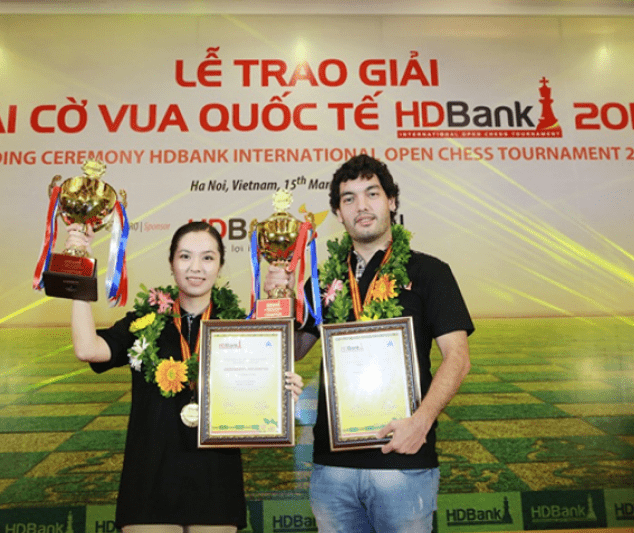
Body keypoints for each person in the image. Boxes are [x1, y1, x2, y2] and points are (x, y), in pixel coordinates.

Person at [265, 154, 474, 533]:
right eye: (349, 198)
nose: (361, 206)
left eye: (372, 194)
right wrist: (278, 301)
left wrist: (422, 422)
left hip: (403, 459)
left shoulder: (430, 272)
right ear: (338, 213)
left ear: (391, 201)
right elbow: (291, 352)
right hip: (332, 467)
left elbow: (457, 359)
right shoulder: (322, 280)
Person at [68, 220, 304, 533]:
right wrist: (79, 269)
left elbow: (262, 394)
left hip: (216, 481)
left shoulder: (239, 327)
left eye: (208, 257)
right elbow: (88, 349)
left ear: (220, 266)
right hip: (149, 481)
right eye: (185, 256)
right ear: (171, 263)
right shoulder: (143, 322)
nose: (196, 267)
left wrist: (282, 391)